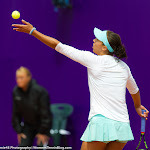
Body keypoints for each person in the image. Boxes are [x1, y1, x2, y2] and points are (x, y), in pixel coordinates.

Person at [12, 20, 149, 150]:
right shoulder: (124, 67)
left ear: (104, 47)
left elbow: (58, 46)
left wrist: (33, 31)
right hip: (122, 127)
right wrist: (137, 106)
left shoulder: (93, 60)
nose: (93, 40)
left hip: (101, 125)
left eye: (97, 39)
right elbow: (134, 90)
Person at [12, 66, 52, 147]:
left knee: (41, 146)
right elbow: (15, 114)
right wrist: (19, 131)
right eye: (17, 77)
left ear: (29, 77)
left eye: (21, 77)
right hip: (28, 126)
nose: (18, 80)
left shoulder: (40, 91)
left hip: (42, 126)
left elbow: (46, 114)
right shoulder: (16, 92)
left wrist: (43, 132)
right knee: (22, 147)